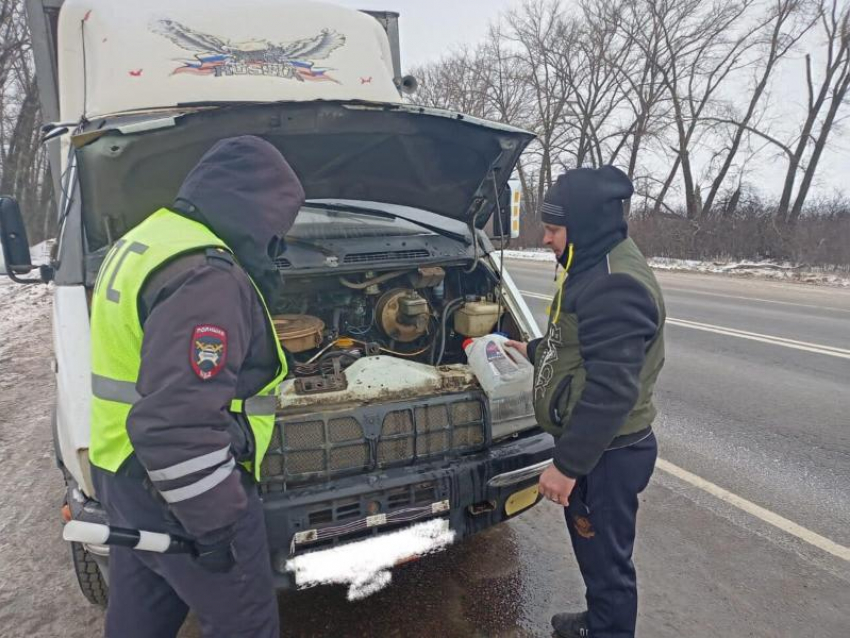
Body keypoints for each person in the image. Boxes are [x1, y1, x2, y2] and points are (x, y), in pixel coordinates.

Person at [87, 135, 305, 638]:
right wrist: (217, 523)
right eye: (278, 222)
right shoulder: (207, 276)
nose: (279, 239)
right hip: (180, 493)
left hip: (120, 470)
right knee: (245, 625)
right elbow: (176, 425)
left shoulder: (150, 238)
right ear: (254, 204)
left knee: (140, 617)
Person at [506, 166, 665, 638]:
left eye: (553, 229)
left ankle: (610, 629)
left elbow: (613, 389)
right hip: (597, 448)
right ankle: (599, 621)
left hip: (608, 453)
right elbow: (581, 347)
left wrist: (567, 465)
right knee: (593, 552)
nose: (545, 238)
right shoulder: (592, 262)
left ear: (586, 225)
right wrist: (534, 351)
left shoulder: (615, 283)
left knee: (608, 561)